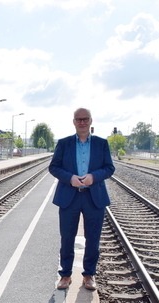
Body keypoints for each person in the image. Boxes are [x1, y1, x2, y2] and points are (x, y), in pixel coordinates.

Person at [48, 107, 115, 291]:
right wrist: (70, 178)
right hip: (70, 196)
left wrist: (94, 176)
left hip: (94, 197)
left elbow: (109, 168)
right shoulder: (64, 143)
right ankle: (66, 275)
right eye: (79, 119)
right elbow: (54, 167)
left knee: (93, 238)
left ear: (91, 121)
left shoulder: (101, 144)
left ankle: (89, 274)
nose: (82, 122)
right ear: (74, 122)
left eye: (85, 119)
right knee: (67, 238)